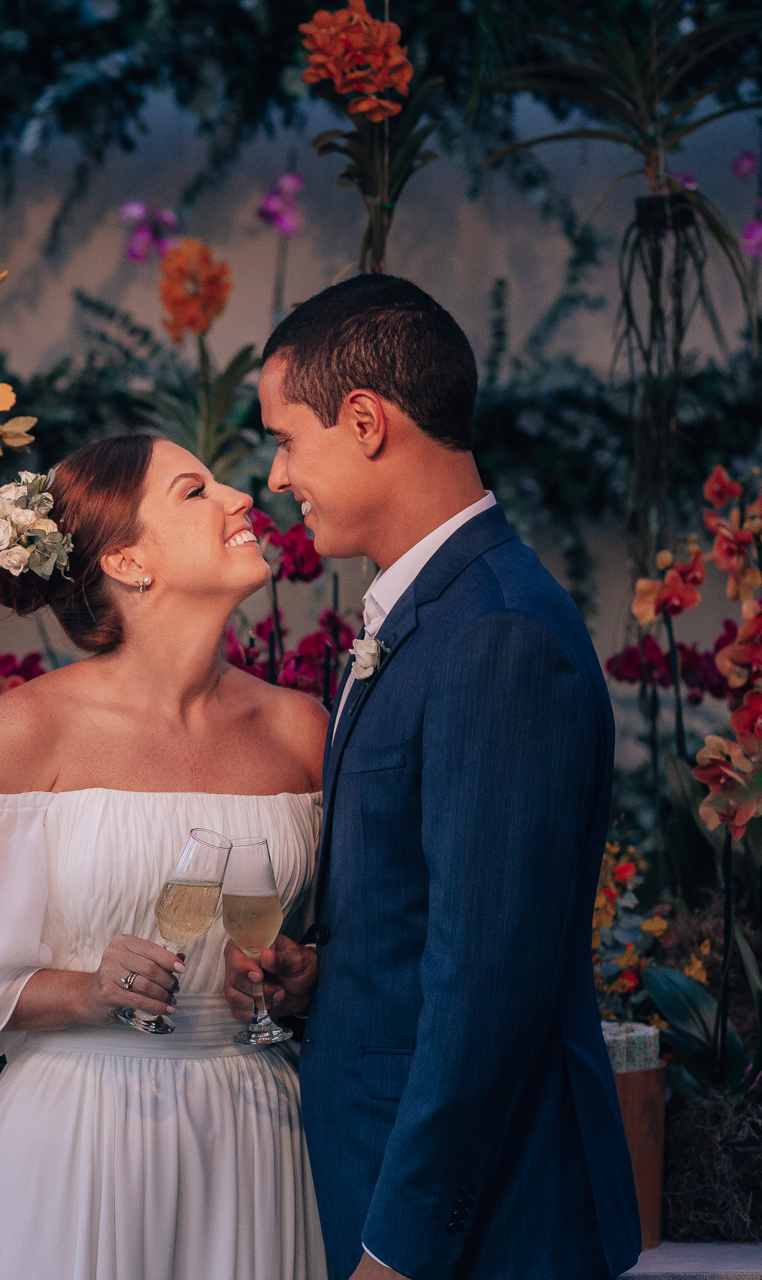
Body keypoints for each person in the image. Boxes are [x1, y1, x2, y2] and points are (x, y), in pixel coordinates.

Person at [223, 274, 641, 1280]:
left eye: (286, 437)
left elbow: (487, 987)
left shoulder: (495, 633)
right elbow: (436, 918)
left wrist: (398, 1248)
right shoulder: (438, 613)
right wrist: (335, 977)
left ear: (364, 421)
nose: (278, 476)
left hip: (483, 1226)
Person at [0, 432, 331, 1280]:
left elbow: (365, 933)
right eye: (195, 491)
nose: (241, 498)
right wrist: (88, 990)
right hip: (80, 1130)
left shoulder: (302, 730)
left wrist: (305, 975)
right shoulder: (32, 730)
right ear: (130, 559)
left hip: (258, 1122)